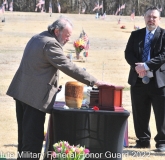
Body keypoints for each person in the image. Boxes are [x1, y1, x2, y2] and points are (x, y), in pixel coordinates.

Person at [6, 16, 109, 159]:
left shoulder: (37, 37)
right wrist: (95, 82)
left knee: (24, 138)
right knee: (33, 141)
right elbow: (69, 67)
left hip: (22, 93)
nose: (68, 39)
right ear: (56, 31)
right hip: (34, 99)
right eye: (66, 35)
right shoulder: (51, 44)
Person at [125, 6, 165, 152]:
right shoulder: (135, 35)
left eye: (154, 17)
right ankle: (143, 140)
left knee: (162, 112)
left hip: (160, 81)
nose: (151, 19)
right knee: (139, 111)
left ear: (159, 19)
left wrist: (145, 65)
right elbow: (128, 53)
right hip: (138, 80)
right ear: (144, 18)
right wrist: (138, 67)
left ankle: (162, 142)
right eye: (148, 16)